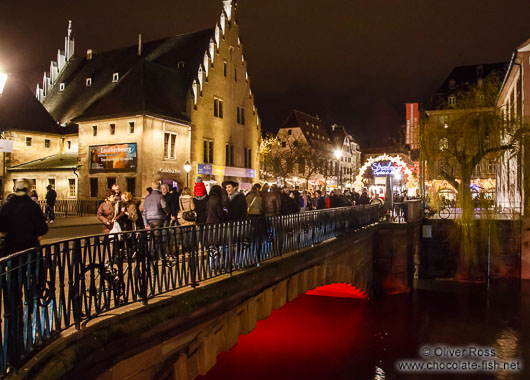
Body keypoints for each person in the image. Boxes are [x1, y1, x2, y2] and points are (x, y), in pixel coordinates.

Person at [0, 179, 48, 256]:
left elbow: (2, 227)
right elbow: (42, 229)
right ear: (28, 190)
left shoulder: (6, 206)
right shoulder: (33, 206)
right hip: (30, 249)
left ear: (15, 189)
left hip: (11, 250)